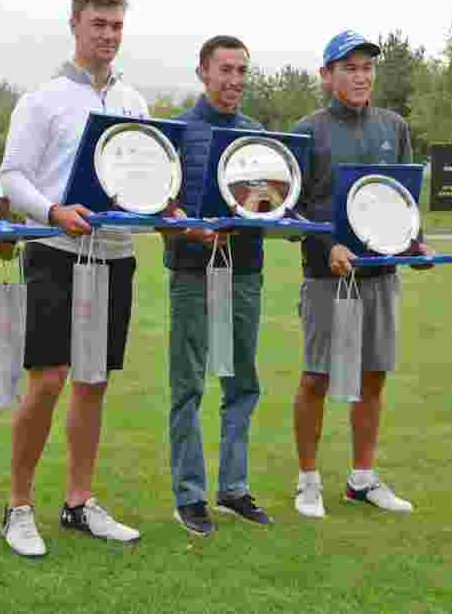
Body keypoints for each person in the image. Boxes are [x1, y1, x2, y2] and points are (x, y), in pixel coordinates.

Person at [0, 0, 148, 557]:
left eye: (115, 26)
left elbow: (143, 177)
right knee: (49, 379)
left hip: (116, 254)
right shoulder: (43, 99)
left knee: (93, 381)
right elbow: (13, 177)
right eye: (98, 24)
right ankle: (18, 507)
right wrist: (54, 212)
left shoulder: (133, 102)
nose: (107, 35)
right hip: (58, 252)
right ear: (75, 25)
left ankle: (78, 502)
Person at [289, 30, 434, 519]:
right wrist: (327, 245)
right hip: (326, 277)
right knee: (317, 376)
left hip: (379, 275)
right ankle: (308, 480)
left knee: (373, 376)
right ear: (326, 75)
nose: (360, 76)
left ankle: (362, 478)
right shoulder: (307, 130)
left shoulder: (393, 125)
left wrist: (418, 243)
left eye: (366, 67)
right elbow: (295, 208)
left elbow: (403, 198)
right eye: (348, 67)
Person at [163, 36, 271, 537]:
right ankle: (189, 496)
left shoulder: (257, 136)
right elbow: (158, 207)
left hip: (244, 272)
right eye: (225, 69)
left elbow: (272, 201)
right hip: (192, 273)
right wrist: (183, 223)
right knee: (188, 386)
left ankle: (233, 489)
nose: (235, 80)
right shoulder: (178, 131)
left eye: (242, 71)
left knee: (240, 383)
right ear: (203, 72)